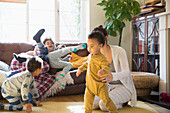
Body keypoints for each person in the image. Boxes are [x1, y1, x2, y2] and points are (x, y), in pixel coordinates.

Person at [91, 25, 137, 111]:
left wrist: (113, 76)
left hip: (123, 86)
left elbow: (126, 72)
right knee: (92, 104)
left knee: (104, 105)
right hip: (106, 87)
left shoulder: (119, 51)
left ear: (106, 37)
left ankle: (121, 103)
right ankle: (117, 101)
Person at [76, 31, 117, 113]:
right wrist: (80, 69)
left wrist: (103, 71)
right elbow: (87, 63)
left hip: (100, 86)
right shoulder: (90, 56)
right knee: (87, 102)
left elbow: (107, 67)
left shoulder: (102, 58)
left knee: (106, 100)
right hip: (90, 85)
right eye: (88, 46)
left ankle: (114, 111)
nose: (89, 49)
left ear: (100, 46)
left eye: (91, 46)